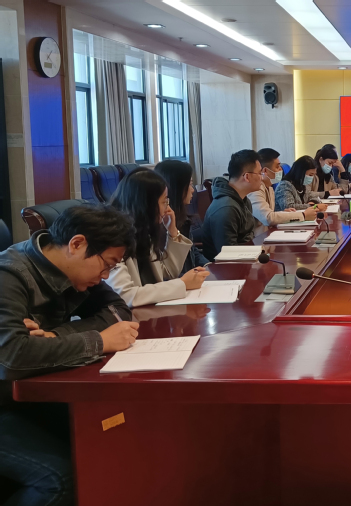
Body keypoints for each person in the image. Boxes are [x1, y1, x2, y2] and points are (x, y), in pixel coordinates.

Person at [0, 205, 139, 506]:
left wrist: (57, 336)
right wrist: (99, 342)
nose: (105, 276)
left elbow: (118, 311)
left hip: (29, 394)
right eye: (106, 265)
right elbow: (12, 356)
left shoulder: (74, 273)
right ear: (77, 244)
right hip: (5, 404)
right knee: (62, 480)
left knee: (114, 435)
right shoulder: (10, 274)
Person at [107, 168, 208, 307]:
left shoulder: (142, 233)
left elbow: (169, 272)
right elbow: (126, 295)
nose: (167, 208)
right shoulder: (113, 240)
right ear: (146, 204)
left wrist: (173, 231)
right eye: (164, 202)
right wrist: (183, 284)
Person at [202, 150, 261, 261]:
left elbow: (247, 238)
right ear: (247, 177)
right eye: (259, 173)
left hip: (246, 259)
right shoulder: (226, 208)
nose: (261, 177)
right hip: (223, 268)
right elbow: (228, 254)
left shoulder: (244, 200)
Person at [154, 160, 210, 275]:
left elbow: (192, 251)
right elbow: (168, 271)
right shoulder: (161, 223)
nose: (193, 189)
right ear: (177, 187)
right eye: (189, 184)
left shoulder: (181, 217)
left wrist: (209, 266)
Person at [249, 148, 317, 227]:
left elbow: (272, 213)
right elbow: (268, 218)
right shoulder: (255, 190)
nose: (281, 169)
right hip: (260, 234)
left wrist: (284, 213)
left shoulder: (269, 188)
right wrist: (303, 215)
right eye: (277, 167)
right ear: (265, 171)